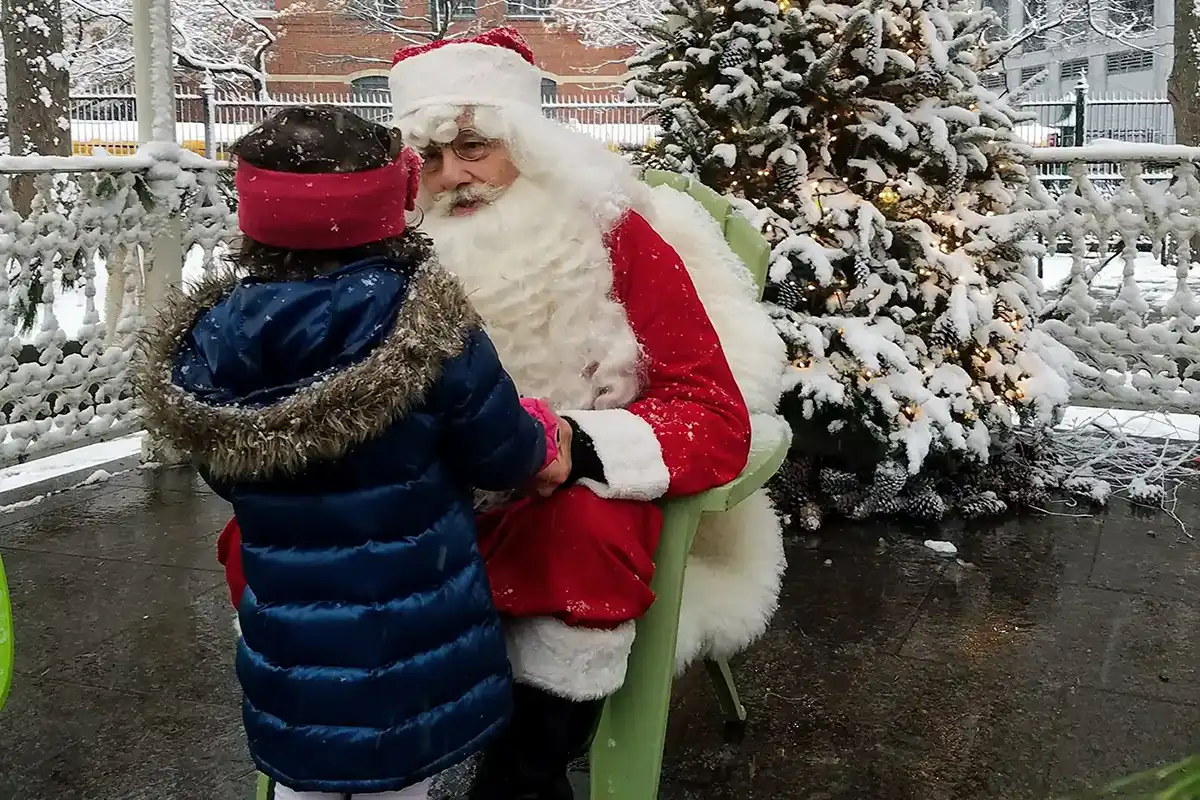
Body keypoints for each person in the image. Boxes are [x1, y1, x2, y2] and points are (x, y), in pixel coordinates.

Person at [217, 27, 791, 798]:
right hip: (413, 493)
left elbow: (710, 414)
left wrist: (574, 448)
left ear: (528, 145)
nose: (455, 176)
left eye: (477, 147)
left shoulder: (614, 239)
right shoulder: (371, 256)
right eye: (429, 157)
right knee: (277, 537)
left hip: (553, 491)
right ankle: (349, 756)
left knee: (581, 532)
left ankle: (529, 762)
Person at [136, 106, 576, 800]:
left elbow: (224, 468)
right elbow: (502, 454)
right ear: (388, 205)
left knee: (306, 774)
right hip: (411, 633)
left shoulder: (218, 335)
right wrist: (545, 437)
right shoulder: (424, 324)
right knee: (395, 780)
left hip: (292, 637)